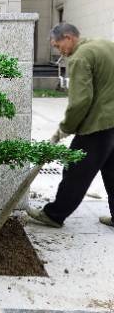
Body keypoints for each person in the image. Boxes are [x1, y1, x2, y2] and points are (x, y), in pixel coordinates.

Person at [27, 23, 114, 228]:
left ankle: (54, 215)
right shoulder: (105, 45)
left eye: (58, 46)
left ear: (68, 37)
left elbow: (80, 101)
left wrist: (66, 127)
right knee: (112, 172)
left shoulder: (80, 57)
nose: (60, 51)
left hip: (97, 125)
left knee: (76, 171)